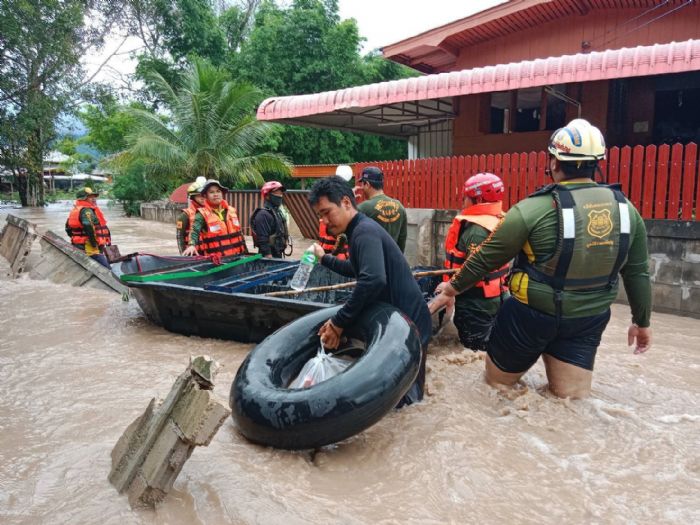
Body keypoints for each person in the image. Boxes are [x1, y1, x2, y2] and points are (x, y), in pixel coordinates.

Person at [429, 118, 652, 399]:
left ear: (554, 163)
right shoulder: (627, 211)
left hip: (530, 317)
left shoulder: (533, 209)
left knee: (495, 388)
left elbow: (485, 258)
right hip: (587, 321)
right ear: (598, 163)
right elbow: (638, 273)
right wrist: (641, 322)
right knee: (569, 400)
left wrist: (449, 290)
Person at [309, 176, 432, 406]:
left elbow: (373, 280)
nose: (324, 221)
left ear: (346, 202)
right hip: (402, 318)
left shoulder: (363, 232)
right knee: (401, 395)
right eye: (320, 216)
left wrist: (338, 322)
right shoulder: (360, 230)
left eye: (327, 212)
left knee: (407, 399)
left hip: (409, 323)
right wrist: (324, 258)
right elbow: (357, 270)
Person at [443, 173, 510, 351]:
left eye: (465, 197)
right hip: (500, 298)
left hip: (477, 305)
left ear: (478, 199)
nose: (462, 201)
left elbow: (473, 271)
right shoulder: (501, 221)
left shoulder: (476, 231)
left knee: (474, 350)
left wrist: (447, 291)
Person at [182, 179, 248, 258]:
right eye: (211, 192)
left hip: (238, 257)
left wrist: (245, 252)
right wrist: (192, 245)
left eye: (218, 191)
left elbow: (239, 234)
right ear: (205, 196)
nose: (216, 194)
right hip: (217, 261)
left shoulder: (232, 211)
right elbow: (194, 231)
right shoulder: (201, 214)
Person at [356, 166, 408, 253]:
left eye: (362, 184)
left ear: (367, 184)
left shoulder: (364, 207)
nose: (361, 187)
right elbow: (402, 238)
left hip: (371, 260)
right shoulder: (400, 206)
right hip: (392, 260)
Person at [65, 186, 112, 268]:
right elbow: (88, 226)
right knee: (107, 269)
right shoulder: (86, 211)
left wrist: (77, 238)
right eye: (90, 197)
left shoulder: (76, 210)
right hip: (89, 247)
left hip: (81, 245)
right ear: (83, 199)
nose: (94, 199)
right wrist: (94, 244)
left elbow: (67, 228)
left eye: (94, 197)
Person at [250, 180, 290, 258]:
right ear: (267, 195)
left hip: (278, 253)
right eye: (276, 193)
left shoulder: (277, 212)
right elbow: (262, 240)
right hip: (268, 256)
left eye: (281, 193)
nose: (280, 196)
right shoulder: (263, 215)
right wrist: (268, 256)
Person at [176, 176, 207, 254]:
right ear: (193, 197)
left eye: (205, 195)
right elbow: (180, 237)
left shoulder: (213, 213)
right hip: (193, 254)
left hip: (210, 254)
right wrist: (183, 255)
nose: (203, 198)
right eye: (199, 195)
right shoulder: (184, 216)